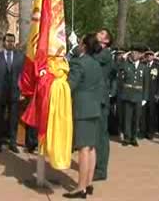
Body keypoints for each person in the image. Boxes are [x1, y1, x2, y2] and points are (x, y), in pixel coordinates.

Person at [63, 33, 103, 199]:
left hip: (82, 109)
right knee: (91, 147)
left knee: (83, 149)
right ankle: (88, 183)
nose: (78, 44)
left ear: (84, 46)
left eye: (80, 42)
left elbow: (70, 85)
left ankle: (80, 187)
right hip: (94, 108)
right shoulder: (96, 63)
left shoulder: (79, 62)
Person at [0, 33, 24, 154]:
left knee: (13, 119)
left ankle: (12, 143)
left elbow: (23, 76)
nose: (10, 43)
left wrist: (22, 92)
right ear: (4, 42)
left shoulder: (20, 57)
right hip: (0, 93)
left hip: (15, 92)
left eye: (12, 41)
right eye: (8, 41)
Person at [93, 28, 113, 181]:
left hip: (100, 99)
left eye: (101, 34)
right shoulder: (97, 52)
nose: (97, 35)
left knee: (101, 135)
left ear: (106, 41)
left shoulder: (105, 54)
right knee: (95, 134)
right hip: (94, 98)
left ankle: (100, 170)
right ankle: (95, 165)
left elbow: (90, 61)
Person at [120, 46, 149, 147]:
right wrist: (122, 59)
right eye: (132, 53)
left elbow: (146, 83)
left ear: (140, 55)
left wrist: (145, 97)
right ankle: (126, 138)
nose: (134, 55)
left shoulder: (144, 67)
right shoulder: (126, 65)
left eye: (137, 53)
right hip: (127, 94)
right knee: (127, 117)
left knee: (136, 118)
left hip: (138, 95)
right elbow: (119, 73)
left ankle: (134, 137)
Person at [141, 49, 159, 140]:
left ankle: (150, 132)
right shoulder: (143, 65)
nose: (149, 56)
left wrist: (158, 93)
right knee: (143, 113)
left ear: (153, 56)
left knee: (151, 114)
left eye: (151, 55)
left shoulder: (157, 66)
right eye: (147, 55)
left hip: (153, 93)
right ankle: (143, 131)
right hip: (143, 93)